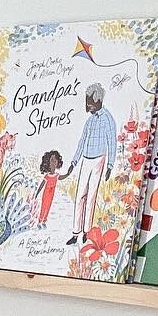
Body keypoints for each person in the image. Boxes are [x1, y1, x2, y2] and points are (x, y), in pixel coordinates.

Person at [62, 84, 118, 245]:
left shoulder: (108, 119)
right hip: (86, 159)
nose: (87, 106)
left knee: (91, 196)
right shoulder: (89, 121)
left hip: (99, 159)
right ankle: (75, 233)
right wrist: (73, 162)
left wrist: (110, 165)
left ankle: (86, 232)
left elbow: (112, 142)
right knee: (80, 195)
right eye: (87, 103)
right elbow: (81, 142)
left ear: (99, 100)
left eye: (90, 103)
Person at [36, 149, 63, 225]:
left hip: (51, 195)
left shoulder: (57, 175)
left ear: (58, 162)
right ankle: (39, 221)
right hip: (46, 194)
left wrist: (68, 174)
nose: (53, 163)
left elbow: (62, 177)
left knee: (48, 207)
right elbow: (42, 185)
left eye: (55, 161)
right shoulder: (47, 175)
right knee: (43, 207)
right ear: (48, 162)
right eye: (51, 160)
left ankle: (44, 221)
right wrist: (37, 193)